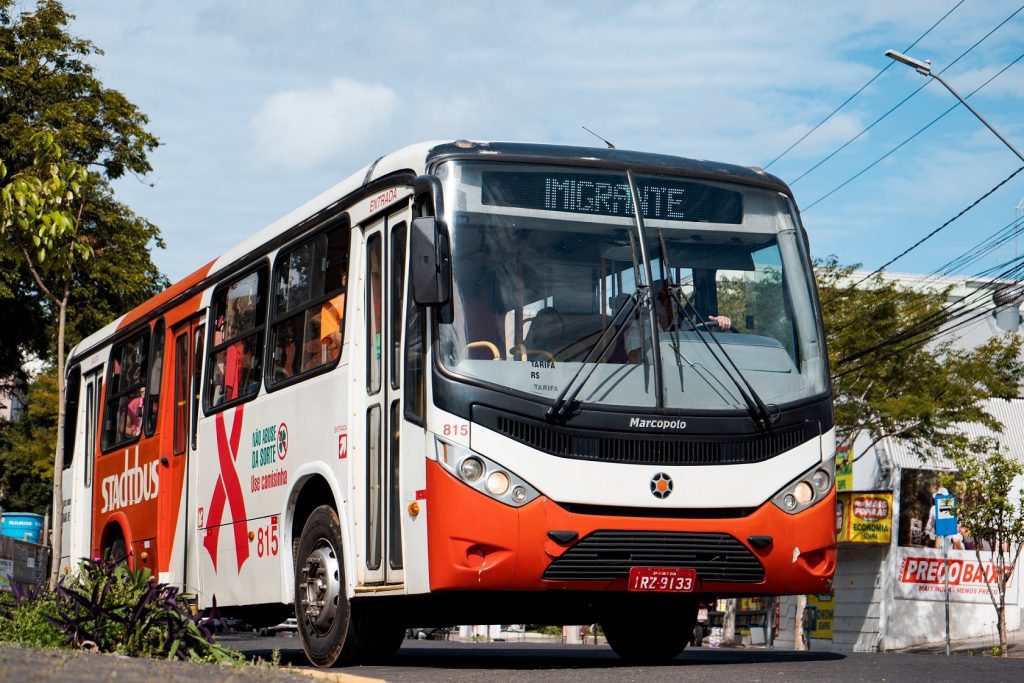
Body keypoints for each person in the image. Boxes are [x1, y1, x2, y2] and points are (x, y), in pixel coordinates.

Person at [623, 281, 732, 362]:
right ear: (653, 300)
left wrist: (718, 324)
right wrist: (659, 342)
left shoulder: (685, 324)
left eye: (673, 296)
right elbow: (633, 358)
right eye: (664, 297)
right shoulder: (638, 328)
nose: (669, 301)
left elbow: (705, 345)